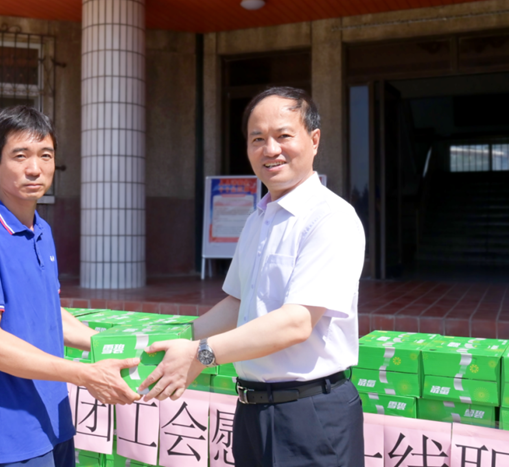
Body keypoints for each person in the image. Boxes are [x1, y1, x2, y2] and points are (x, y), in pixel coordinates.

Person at [138, 87, 366, 467]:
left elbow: (296, 322)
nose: (270, 149)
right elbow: (238, 303)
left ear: (314, 140)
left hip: (311, 415)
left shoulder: (330, 218)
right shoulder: (258, 219)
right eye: (257, 139)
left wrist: (201, 354)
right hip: (252, 411)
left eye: (283, 135)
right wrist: (175, 343)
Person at [0, 106, 140, 467]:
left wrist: (123, 349)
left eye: (45, 155)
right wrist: (83, 373)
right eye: (20, 156)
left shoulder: (41, 230)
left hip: (55, 421)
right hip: (9, 436)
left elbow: (48, 313)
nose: (35, 168)